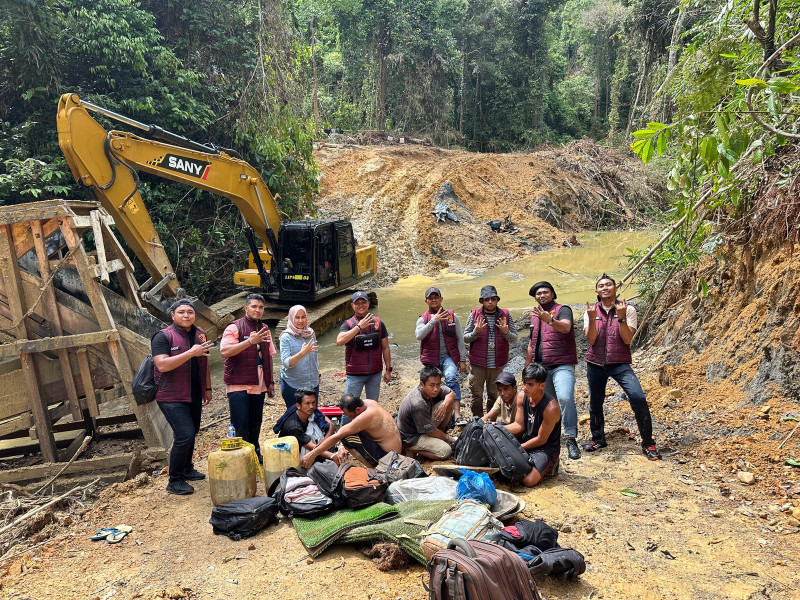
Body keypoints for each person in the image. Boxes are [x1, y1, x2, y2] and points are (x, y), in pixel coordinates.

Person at [584, 274, 661, 460]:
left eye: (608, 285)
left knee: (638, 397)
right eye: (601, 285)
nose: (605, 288)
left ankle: (648, 443)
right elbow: (591, 340)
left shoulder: (629, 310)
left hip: (619, 362)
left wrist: (621, 318)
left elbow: (627, 339)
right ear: (596, 291)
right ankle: (598, 438)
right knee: (595, 402)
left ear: (615, 288)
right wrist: (593, 319)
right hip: (595, 362)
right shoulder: (590, 311)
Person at [152, 300, 213, 495]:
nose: (186, 315)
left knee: (192, 431)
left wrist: (208, 387)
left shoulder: (200, 334)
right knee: (184, 434)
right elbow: (162, 365)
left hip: (194, 392)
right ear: (172, 315)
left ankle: (187, 468)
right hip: (171, 395)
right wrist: (190, 352)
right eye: (181, 312)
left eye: (190, 312)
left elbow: (205, 362)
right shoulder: (163, 337)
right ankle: (174, 480)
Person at [523, 281, 581, 460]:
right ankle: (546, 437)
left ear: (553, 294)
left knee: (564, 397)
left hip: (562, 363)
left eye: (545, 292)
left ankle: (570, 438)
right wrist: (527, 367)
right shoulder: (535, 316)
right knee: (546, 404)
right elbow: (532, 344)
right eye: (538, 293)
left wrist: (548, 319)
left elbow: (566, 327)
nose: (542, 295)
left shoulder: (563, 309)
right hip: (541, 367)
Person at [220, 293, 275, 462]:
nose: (257, 310)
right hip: (238, 383)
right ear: (245, 308)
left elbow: (269, 356)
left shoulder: (265, 329)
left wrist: (270, 381)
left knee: (256, 422)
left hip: (258, 382)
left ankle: (255, 452)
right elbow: (225, 352)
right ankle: (241, 457)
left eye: (260, 307)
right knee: (240, 423)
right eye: (254, 307)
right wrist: (249, 342)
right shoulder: (235, 327)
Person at [300, 394, 402, 469]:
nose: (349, 417)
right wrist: (340, 447)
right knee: (347, 436)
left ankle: (376, 468)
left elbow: (337, 436)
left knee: (347, 439)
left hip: (389, 457)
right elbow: (348, 429)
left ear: (357, 409)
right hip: (393, 449)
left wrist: (312, 454)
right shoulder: (369, 402)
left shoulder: (366, 416)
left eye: (349, 415)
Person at [415, 287, 468, 425]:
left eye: (436, 297)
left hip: (447, 357)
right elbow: (419, 335)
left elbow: (459, 338)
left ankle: (457, 415)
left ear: (441, 299)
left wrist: (462, 359)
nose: (434, 300)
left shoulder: (451, 316)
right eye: (430, 298)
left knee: (451, 377)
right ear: (426, 301)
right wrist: (433, 321)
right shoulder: (423, 318)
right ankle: (428, 411)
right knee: (430, 385)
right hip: (430, 359)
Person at [463, 285, 517, 418]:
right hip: (478, 364)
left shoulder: (505, 314)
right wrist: (476, 332)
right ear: (482, 301)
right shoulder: (474, 314)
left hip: (497, 363)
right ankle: (477, 419)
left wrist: (506, 332)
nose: (490, 302)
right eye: (487, 299)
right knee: (476, 394)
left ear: (497, 300)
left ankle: (490, 421)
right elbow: (465, 338)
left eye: (493, 299)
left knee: (495, 394)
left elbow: (514, 338)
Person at [506, 364, 561, 488]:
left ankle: (552, 464)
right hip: (527, 439)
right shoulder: (522, 396)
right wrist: (499, 430)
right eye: (524, 383)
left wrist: (518, 449)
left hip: (545, 448)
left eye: (530, 384)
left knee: (528, 481)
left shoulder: (551, 408)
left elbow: (542, 439)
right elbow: (519, 426)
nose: (525, 388)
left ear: (542, 385)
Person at [336, 291, 392, 402]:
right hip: (355, 375)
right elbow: (339, 341)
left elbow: (385, 347)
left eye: (363, 302)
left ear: (368, 303)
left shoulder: (378, 323)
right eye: (357, 303)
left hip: (375, 374)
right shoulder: (348, 324)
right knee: (349, 407)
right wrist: (358, 327)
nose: (360, 305)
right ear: (352, 305)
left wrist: (388, 370)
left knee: (372, 406)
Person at [396, 365, 457, 460]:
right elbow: (430, 431)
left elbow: (452, 394)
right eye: (432, 385)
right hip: (412, 437)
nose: (436, 389)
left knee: (449, 404)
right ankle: (413, 450)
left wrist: (444, 404)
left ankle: (438, 436)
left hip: (424, 424)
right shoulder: (418, 403)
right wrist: (448, 438)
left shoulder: (432, 388)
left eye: (438, 384)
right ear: (422, 384)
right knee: (446, 451)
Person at [278, 389, 336, 462]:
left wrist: (324, 441)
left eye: (313, 402)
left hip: (312, 446)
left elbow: (330, 424)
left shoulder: (311, 411)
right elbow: (314, 448)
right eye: (307, 403)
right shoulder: (294, 427)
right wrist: (333, 456)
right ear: (298, 406)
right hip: (292, 456)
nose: (311, 406)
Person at [279, 305, 320, 407]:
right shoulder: (286, 337)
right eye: (297, 317)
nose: (301, 321)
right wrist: (302, 353)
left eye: (303, 317)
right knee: (294, 415)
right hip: (293, 384)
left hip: (312, 382)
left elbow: (315, 357)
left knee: (311, 413)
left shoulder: (310, 333)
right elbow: (286, 363)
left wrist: (318, 374)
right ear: (292, 318)